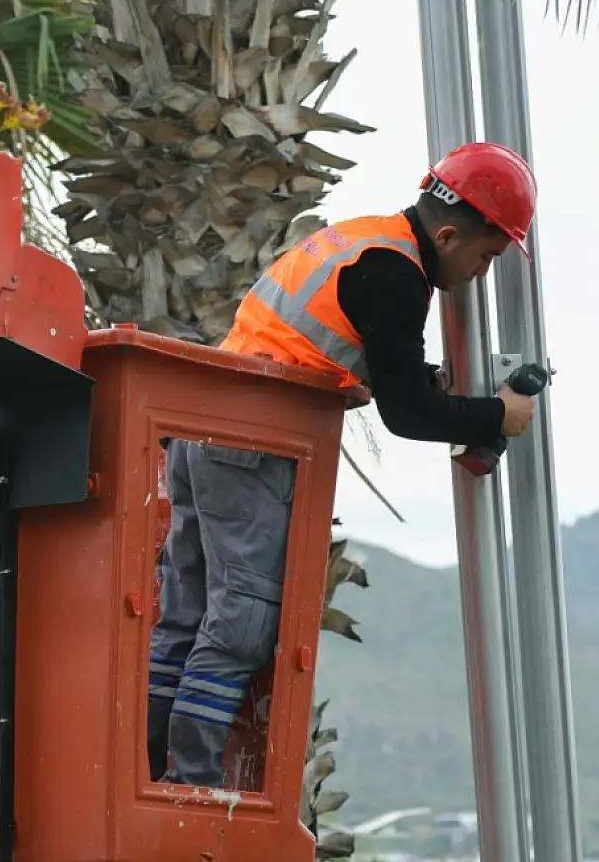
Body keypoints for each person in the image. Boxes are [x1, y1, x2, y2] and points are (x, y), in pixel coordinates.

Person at [146, 141, 540, 786]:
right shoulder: (397, 274)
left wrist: (420, 381)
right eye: (487, 256)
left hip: (202, 434)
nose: (482, 273)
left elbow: (341, 350)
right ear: (448, 235)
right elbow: (406, 415)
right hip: (250, 446)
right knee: (242, 623)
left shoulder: (361, 242)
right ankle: (191, 787)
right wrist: (498, 416)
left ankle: (145, 768)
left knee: (187, 614)